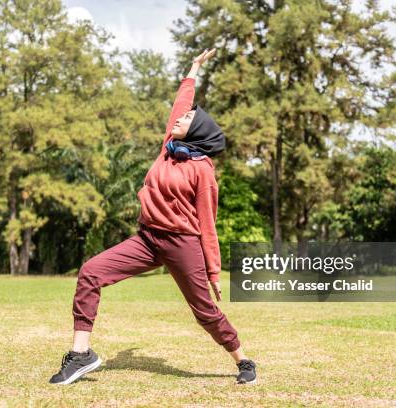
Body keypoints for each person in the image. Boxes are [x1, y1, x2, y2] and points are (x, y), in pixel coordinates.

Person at [49, 49, 257, 385]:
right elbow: (181, 102)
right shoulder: (168, 148)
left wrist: (213, 270)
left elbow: (207, 222)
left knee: (204, 311)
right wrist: (193, 69)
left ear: (197, 133)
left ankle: (243, 360)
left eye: (187, 120)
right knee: (90, 272)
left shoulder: (202, 171)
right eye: (181, 117)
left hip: (182, 243)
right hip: (147, 239)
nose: (179, 119)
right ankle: (81, 354)